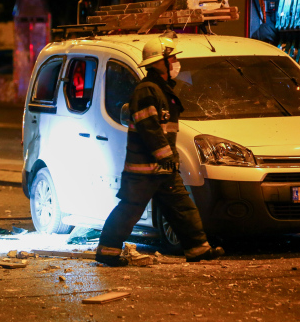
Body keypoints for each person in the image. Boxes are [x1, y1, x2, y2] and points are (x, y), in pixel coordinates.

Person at [95, 34, 225, 266]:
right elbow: (149, 128)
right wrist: (166, 156)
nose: (176, 62)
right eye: (172, 57)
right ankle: (107, 251)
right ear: (159, 62)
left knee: (182, 207)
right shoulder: (147, 91)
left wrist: (169, 160)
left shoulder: (162, 90)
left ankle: (198, 250)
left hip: (163, 167)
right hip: (144, 169)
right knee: (130, 209)